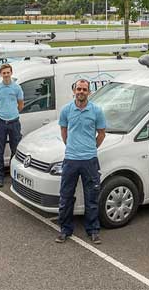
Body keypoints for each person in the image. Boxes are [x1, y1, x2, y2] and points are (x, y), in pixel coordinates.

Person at [55, 79, 106, 245]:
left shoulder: (96, 111)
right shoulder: (66, 110)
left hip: (90, 160)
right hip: (70, 160)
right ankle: (65, 230)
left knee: (92, 197)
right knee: (66, 197)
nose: (81, 92)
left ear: (89, 92)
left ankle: (93, 231)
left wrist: (91, 148)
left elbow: (101, 134)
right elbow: (64, 131)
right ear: (74, 91)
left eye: (84, 89)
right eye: (78, 89)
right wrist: (72, 147)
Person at [0, 64, 24, 188]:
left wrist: (13, 114)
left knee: (15, 150)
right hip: (0, 123)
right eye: (3, 73)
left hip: (14, 122)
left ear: (11, 72)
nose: (6, 75)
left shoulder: (17, 88)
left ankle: (14, 175)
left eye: (8, 72)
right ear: (1, 74)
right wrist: (2, 114)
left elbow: (21, 105)